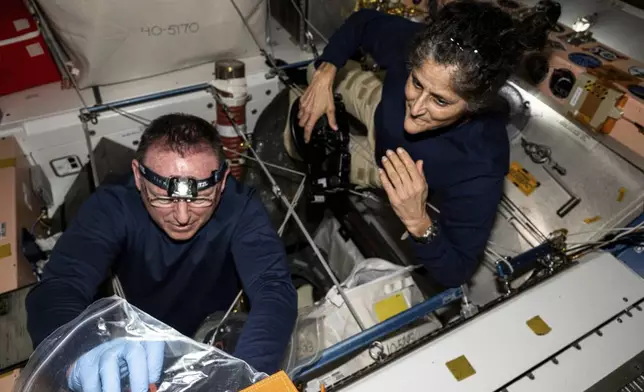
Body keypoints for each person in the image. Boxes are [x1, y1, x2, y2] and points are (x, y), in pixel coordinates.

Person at [285, 0, 555, 287]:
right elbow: (362, 22)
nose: (414, 110)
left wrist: (418, 221)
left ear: (475, 106)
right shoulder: (425, 51)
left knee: (295, 146)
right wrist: (325, 77)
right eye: (416, 83)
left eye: (440, 101)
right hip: (379, 106)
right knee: (313, 72)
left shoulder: (481, 164)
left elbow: (458, 271)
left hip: (390, 172)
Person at [26, 113, 298, 391]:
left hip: (218, 334)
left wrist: (246, 378)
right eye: (162, 197)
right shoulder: (112, 207)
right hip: (138, 346)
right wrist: (77, 354)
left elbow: (273, 288)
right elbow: (60, 286)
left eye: (202, 197)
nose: (182, 216)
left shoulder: (241, 208)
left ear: (223, 181)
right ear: (138, 176)